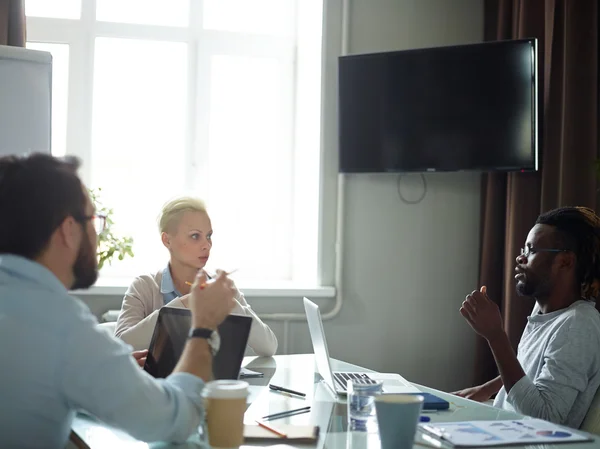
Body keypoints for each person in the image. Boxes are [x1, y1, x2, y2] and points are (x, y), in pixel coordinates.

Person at [0, 154, 236, 448]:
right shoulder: (63, 327)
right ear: (68, 230)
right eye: (93, 221)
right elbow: (173, 420)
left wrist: (111, 377)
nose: (97, 236)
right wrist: (202, 329)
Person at [453, 207, 600, 428]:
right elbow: (530, 371)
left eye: (531, 250)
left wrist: (496, 336)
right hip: (500, 432)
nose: (520, 257)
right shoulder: (545, 311)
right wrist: (486, 390)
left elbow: (545, 419)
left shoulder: (578, 325)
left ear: (565, 261)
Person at [114, 196, 278, 356]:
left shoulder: (222, 287)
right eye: (195, 236)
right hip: (160, 383)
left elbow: (269, 347)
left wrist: (232, 304)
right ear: (167, 240)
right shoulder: (144, 286)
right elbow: (120, 345)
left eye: (209, 235)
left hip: (212, 382)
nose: (207, 245)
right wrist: (188, 302)